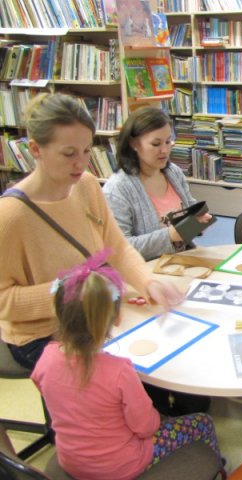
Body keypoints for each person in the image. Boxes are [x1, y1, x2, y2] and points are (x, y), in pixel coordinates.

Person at [0, 93, 181, 370]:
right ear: (35, 149)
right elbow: (4, 300)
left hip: (93, 313)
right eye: (69, 153)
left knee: (163, 356)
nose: (82, 163)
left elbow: (117, 248)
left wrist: (148, 282)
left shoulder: (86, 185)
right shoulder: (10, 214)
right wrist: (74, 290)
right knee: (124, 375)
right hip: (42, 334)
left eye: (87, 150)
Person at [31, 252, 226, 480]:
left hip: (70, 460)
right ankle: (219, 467)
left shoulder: (46, 357)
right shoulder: (119, 371)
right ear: (116, 318)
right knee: (202, 422)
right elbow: (147, 427)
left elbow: (46, 388)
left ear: (59, 314)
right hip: (121, 465)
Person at [103, 107, 213, 261]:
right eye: (156, 144)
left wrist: (197, 223)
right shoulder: (117, 189)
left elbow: (189, 208)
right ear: (133, 143)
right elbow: (118, 248)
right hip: (146, 269)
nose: (165, 150)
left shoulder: (173, 172)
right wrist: (169, 236)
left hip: (181, 261)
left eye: (168, 141)